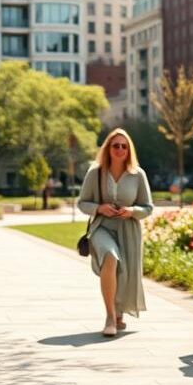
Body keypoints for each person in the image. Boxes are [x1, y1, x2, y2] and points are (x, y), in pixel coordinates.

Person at [77, 129, 154, 337]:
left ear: (129, 150)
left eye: (124, 146)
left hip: (128, 229)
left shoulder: (138, 175)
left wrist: (132, 211)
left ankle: (119, 313)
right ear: (108, 148)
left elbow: (148, 207)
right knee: (110, 257)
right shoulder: (96, 172)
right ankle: (110, 317)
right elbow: (82, 203)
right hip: (102, 227)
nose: (120, 149)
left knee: (125, 272)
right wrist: (100, 208)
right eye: (116, 145)